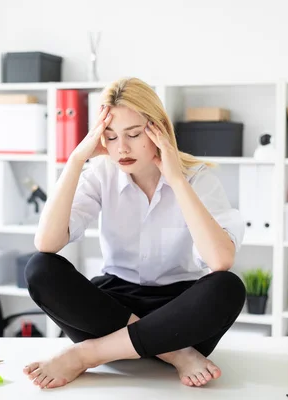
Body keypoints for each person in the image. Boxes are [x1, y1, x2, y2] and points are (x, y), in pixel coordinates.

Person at [23, 77, 246, 390]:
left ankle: (89, 354)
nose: (122, 148)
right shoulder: (102, 172)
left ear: (157, 130)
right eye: (111, 137)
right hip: (112, 310)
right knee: (40, 267)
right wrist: (76, 159)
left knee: (228, 287)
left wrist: (177, 181)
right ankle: (175, 355)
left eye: (133, 134)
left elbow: (220, 260)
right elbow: (46, 242)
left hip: (178, 315)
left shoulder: (197, 178)